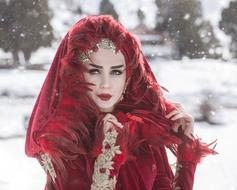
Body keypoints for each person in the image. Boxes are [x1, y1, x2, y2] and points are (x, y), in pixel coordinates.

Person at [25, 15, 216, 190]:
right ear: (77, 75)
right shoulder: (64, 141)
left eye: (116, 72)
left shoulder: (143, 131)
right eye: (94, 71)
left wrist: (186, 155)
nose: (106, 84)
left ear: (128, 78)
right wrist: (109, 155)